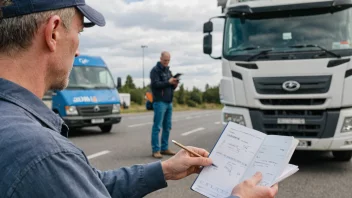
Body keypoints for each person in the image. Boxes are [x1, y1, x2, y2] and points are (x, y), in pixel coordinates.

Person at [0, 0, 278, 198]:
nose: (77, 50)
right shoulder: (43, 156)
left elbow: (88, 184)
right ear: (53, 32)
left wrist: (165, 170)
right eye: (80, 32)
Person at [150, 51, 178, 158]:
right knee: (157, 127)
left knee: (167, 126)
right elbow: (155, 84)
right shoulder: (155, 71)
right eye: (165, 60)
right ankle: (155, 150)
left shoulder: (168, 71)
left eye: (168, 60)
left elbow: (170, 86)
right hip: (159, 102)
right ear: (161, 58)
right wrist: (168, 82)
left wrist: (174, 84)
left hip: (168, 102)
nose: (167, 62)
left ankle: (164, 148)